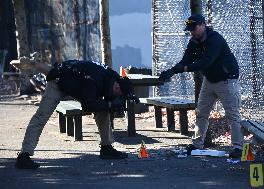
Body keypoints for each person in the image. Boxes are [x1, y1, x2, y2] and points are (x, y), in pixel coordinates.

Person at [15, 60, 137, 169]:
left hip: (78, 84)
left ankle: (107, 148)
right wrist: (110, 105)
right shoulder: (95, 80)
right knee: (41, 117)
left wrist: (125, 98)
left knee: (103, 109)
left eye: (119, 93)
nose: (116, 93)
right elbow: (88, 105)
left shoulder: (114, 77)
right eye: (117, 90)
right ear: (115, 84)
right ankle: (24, 156)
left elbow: (117, 92)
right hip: (59, 82)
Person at [158, 14, 243, 158]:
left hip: (226, 81)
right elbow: (185, 60)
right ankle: (197, 144)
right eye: (190, 29)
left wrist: (184, 69)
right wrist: (171, 71)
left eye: (194, 28)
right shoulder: (194, 42)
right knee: (201, 113)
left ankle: (238, 148)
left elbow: (206, 62)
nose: (192, 32)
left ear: (203, 25)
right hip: (209, 80)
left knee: (232, 115)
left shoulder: (215, 39)